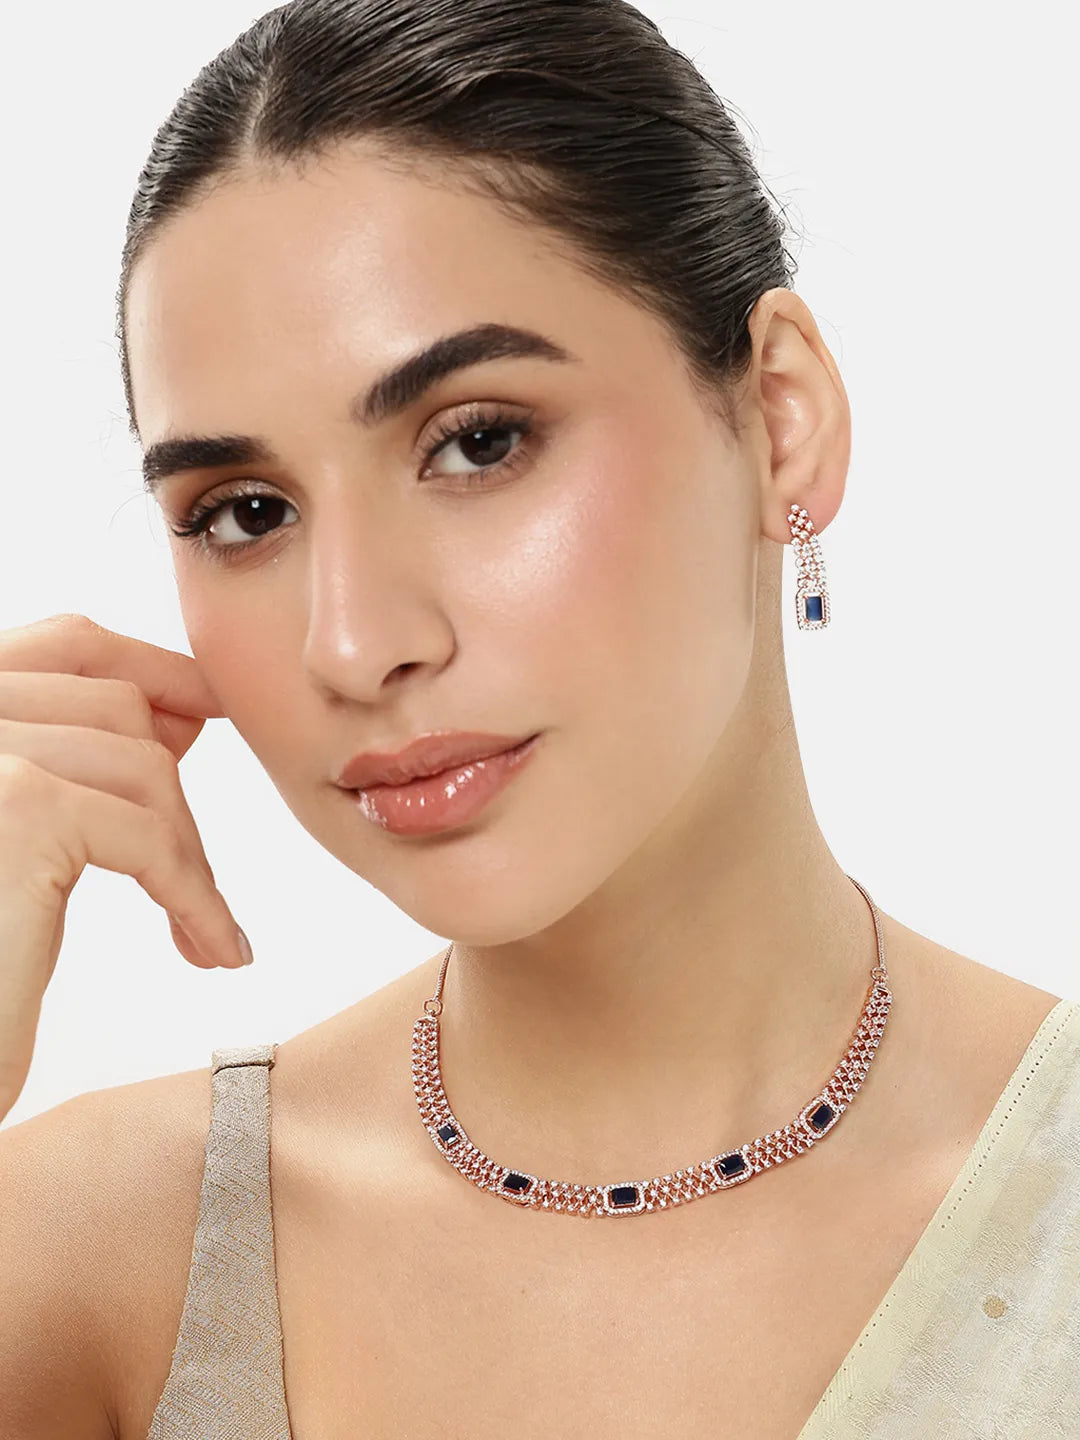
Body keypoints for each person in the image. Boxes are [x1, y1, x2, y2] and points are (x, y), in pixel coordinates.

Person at [1, 1, 1077, 1436]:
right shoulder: (87, 1261)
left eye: (478, 441)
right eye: (246, 513)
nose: (354, 642)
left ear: (779, 417)